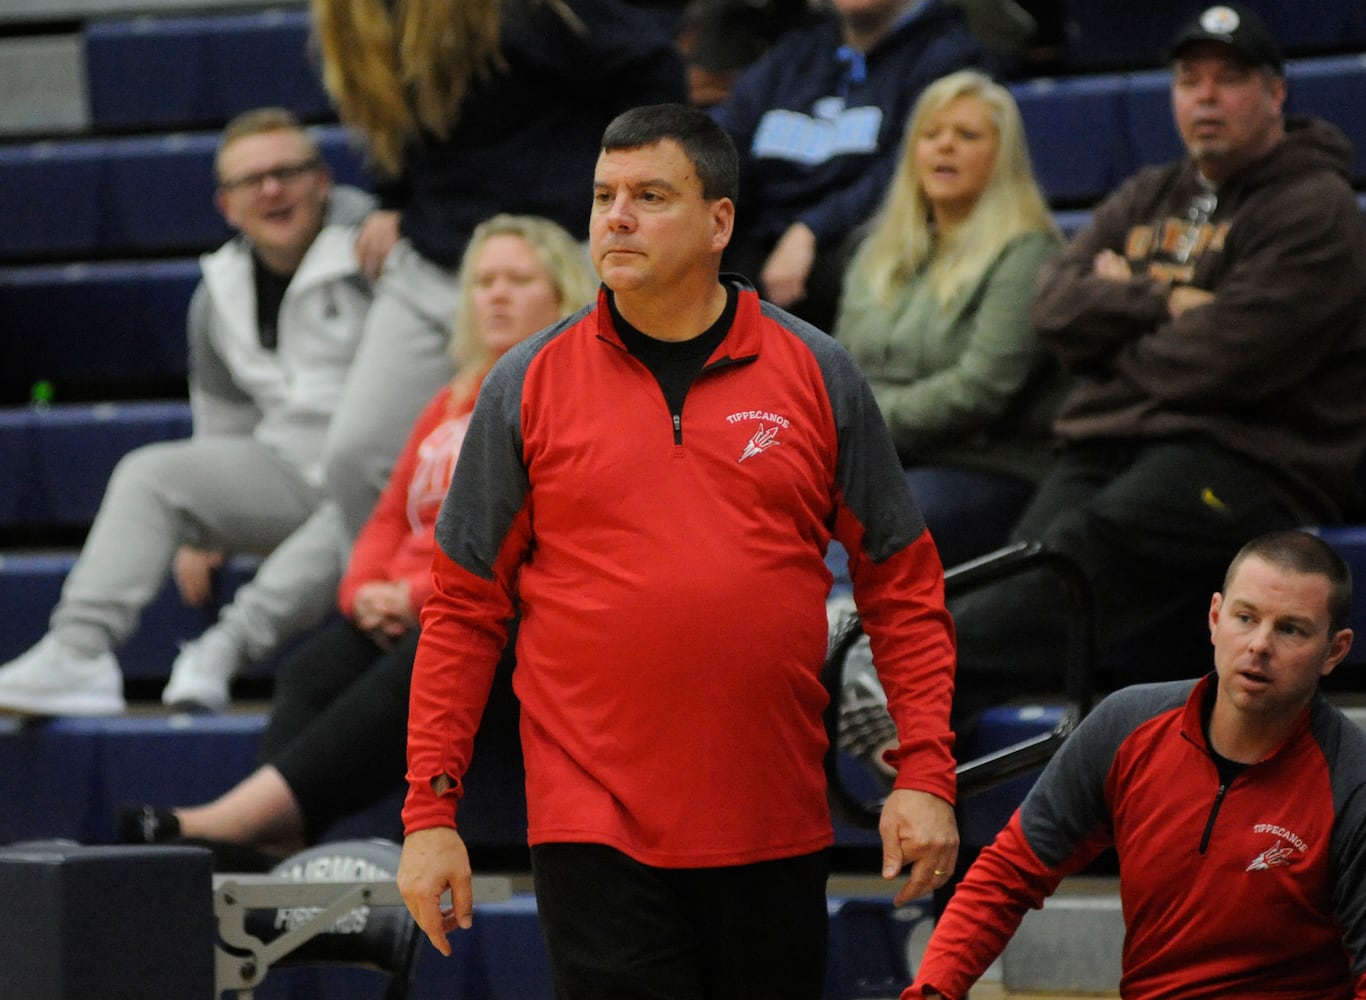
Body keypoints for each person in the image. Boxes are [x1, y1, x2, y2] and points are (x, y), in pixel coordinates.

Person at [396, 103, 959, 998]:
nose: (615, 217)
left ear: (719, 222)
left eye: (650, 195)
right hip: (593, 824)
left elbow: (902, 584)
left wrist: (926, 768)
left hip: (772, 815)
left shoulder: (816, 371)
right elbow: (463, 608)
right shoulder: (526, 383)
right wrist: (431, 811)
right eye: (603, 195)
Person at [117, 214, 596, 865]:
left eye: (518, 279)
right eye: (483, 281)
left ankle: (237, 818)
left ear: (562, 293)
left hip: (490, 613)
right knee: (314, 668)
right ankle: (275, 845)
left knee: (431, 651)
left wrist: (416, 593)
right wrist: (364, 589)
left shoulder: (563, 391)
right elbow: (386, 514)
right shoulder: (451, 397)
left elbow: (534, 532)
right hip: (409, 600)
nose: (496, 295)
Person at [948, 3, 1366, 726]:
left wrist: (1113, 326)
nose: (1205, 96)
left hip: (1244, 459)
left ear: (1275, 94)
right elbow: (1052, 311)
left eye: (1229, 79)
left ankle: (899, 662)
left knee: (1075, 558)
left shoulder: (1315, 207)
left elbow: (1224, 360)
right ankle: (919, 775)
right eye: (1187, 79)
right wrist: (1169, 298)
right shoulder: (1146, 194)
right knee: (1028, 561)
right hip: (1111, 443)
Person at [0, 108, 375, 717]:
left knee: (361, 494)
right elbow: (223, 425)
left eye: (287, 171)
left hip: (390, 486)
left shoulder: (375, 250)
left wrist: (372, 215)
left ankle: (221, 649)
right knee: (151, 474)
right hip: (290, 475)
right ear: (227, 205)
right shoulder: (215, 294)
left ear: (324, 181)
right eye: (251, 181)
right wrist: (206, 529)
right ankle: (77, 652)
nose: (271, 190)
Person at [910, 529, 1366, 998]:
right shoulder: (1128, 725)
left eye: (1290, 629)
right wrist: (931, 991)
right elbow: (1007, 874)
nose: (1259, 646)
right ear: (1214, 618)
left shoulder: (1352, 783)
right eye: (1245, 618)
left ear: (1334, 651)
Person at [308, 0, 687, 543]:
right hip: (438, 260)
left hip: (559, 254)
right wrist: (393, 198)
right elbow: (399, 130)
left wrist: (636, 196)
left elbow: (650, 65)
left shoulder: (525, 12)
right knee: (356, 456)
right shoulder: (351, 20)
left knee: (584, 450)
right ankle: (404, 611)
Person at [834, 68, 1063, 570]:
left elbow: (981, 389)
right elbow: (840, 372)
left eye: (967, 135)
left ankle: (851, 647)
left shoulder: (1028, 254)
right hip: (876, 458)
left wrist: (860, 426)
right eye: (931, 134)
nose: (945, 148)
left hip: (986, 466)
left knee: (872, 521)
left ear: (1001, 156)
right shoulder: (875, 251)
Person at [709, 0, 982, 332]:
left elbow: (908, 169)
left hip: (859, 240)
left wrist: (811, 229)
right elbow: (728, 147)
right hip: (764, 234)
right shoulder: (794, 53)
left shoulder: (949, 57)